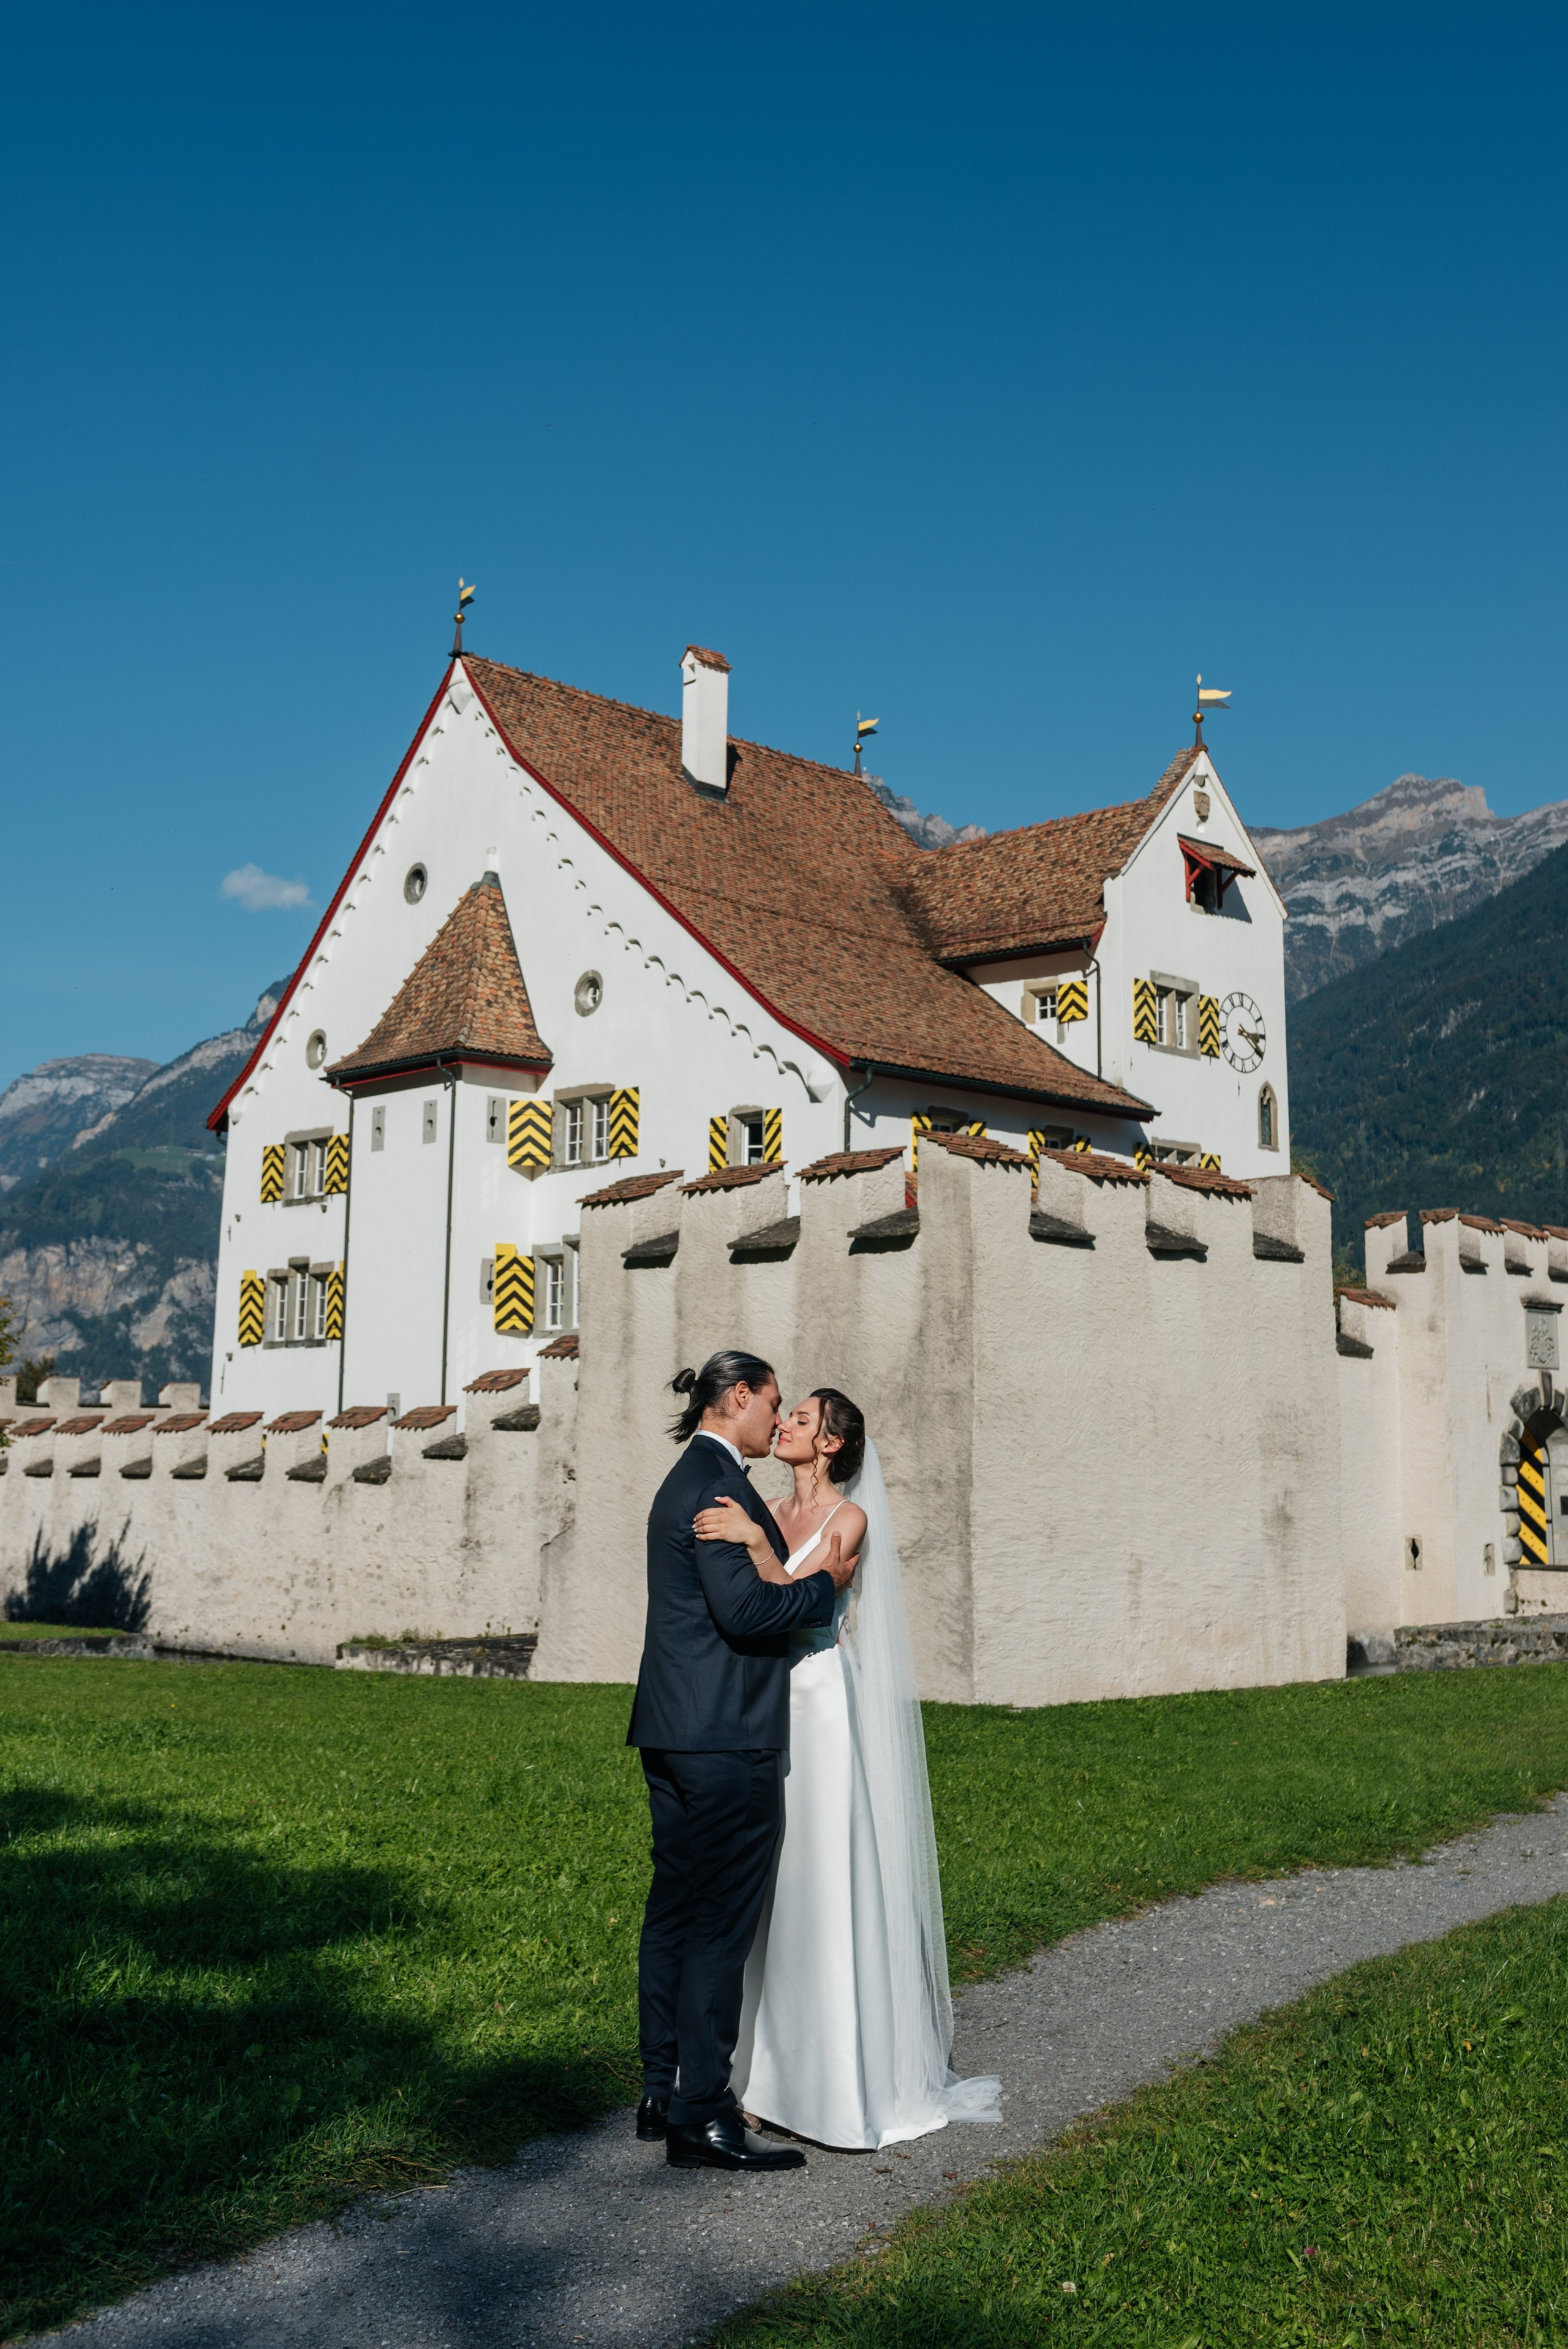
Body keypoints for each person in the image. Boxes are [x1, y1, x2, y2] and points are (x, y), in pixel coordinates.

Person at [695, 1389, 1001, 2149]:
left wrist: (758, 1548)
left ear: (830, 1444)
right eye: (787, 1414)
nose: (785, 1424)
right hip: (763, 1701)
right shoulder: (761, 1503)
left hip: (821, 1701)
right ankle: (757, 2079)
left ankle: (833, 2084)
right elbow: (742, 1605)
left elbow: (802, 1607)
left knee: (822, 1881)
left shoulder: (848, 1518)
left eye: (800, 1419)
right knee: (768, 1887)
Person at [627, 1349, 859, 2173]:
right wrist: (824, 1587)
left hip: (672, 1725)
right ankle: (704, 2113)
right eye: (771, 1401)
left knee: (675, 1910)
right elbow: (749, 1609)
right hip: (726, 1734)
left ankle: (661, 2085)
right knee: (720, 1923)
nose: (776, 1416)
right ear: (737, 1398)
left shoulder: (685, 1475)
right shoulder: (719, 1485)